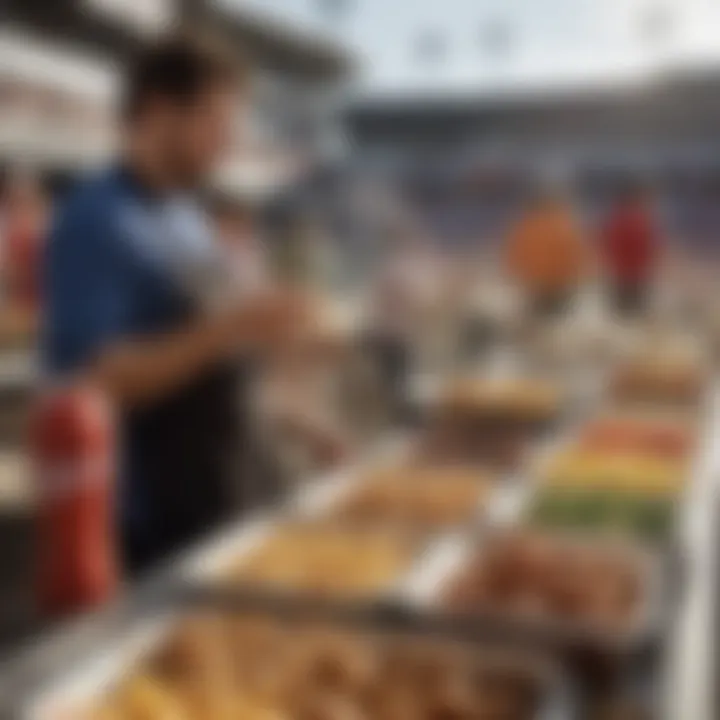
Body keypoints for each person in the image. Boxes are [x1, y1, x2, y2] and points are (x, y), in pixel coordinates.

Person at [42, 36, 306, 575]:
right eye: (215, 121)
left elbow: (221, 353)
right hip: (149, 525)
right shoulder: (96, 220)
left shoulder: (187, 216)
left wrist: (305, 426)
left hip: (219, 493)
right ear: (159, 111)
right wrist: (232, 324)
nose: (227, 142)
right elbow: (99, 377)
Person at [504, 190, 590, 319]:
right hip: (559, 286)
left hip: (535, 287)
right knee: (558, 323)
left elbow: (513, 260)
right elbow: (577, 258)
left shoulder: (524, 229)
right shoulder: (564, 227)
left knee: (539, 322)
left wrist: (524, 279)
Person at [600, 184, 661, 316]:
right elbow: (651, 249)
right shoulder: (642, 222)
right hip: (638, 276)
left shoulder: (615, 221)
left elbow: (607, 246)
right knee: (636, 314)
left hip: (620, 275)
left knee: (621, 315)